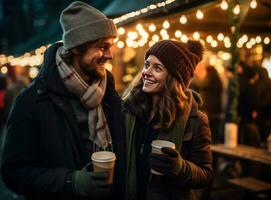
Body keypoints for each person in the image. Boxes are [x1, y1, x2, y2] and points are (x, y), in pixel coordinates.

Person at [1, 1, 125, 200]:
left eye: (110, 47)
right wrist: (72, 182)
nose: (109, 55)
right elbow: (13, 172)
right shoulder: (32, 100)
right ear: (77, 48)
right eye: (102, 47)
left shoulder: (109, 95)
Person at [122, 40, 213, 200]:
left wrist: (181, 168)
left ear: (173, 78)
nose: (146, 72)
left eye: (157, 68)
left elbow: (206, 175)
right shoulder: (130, 109)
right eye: (147, 65)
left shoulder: (196, 121)